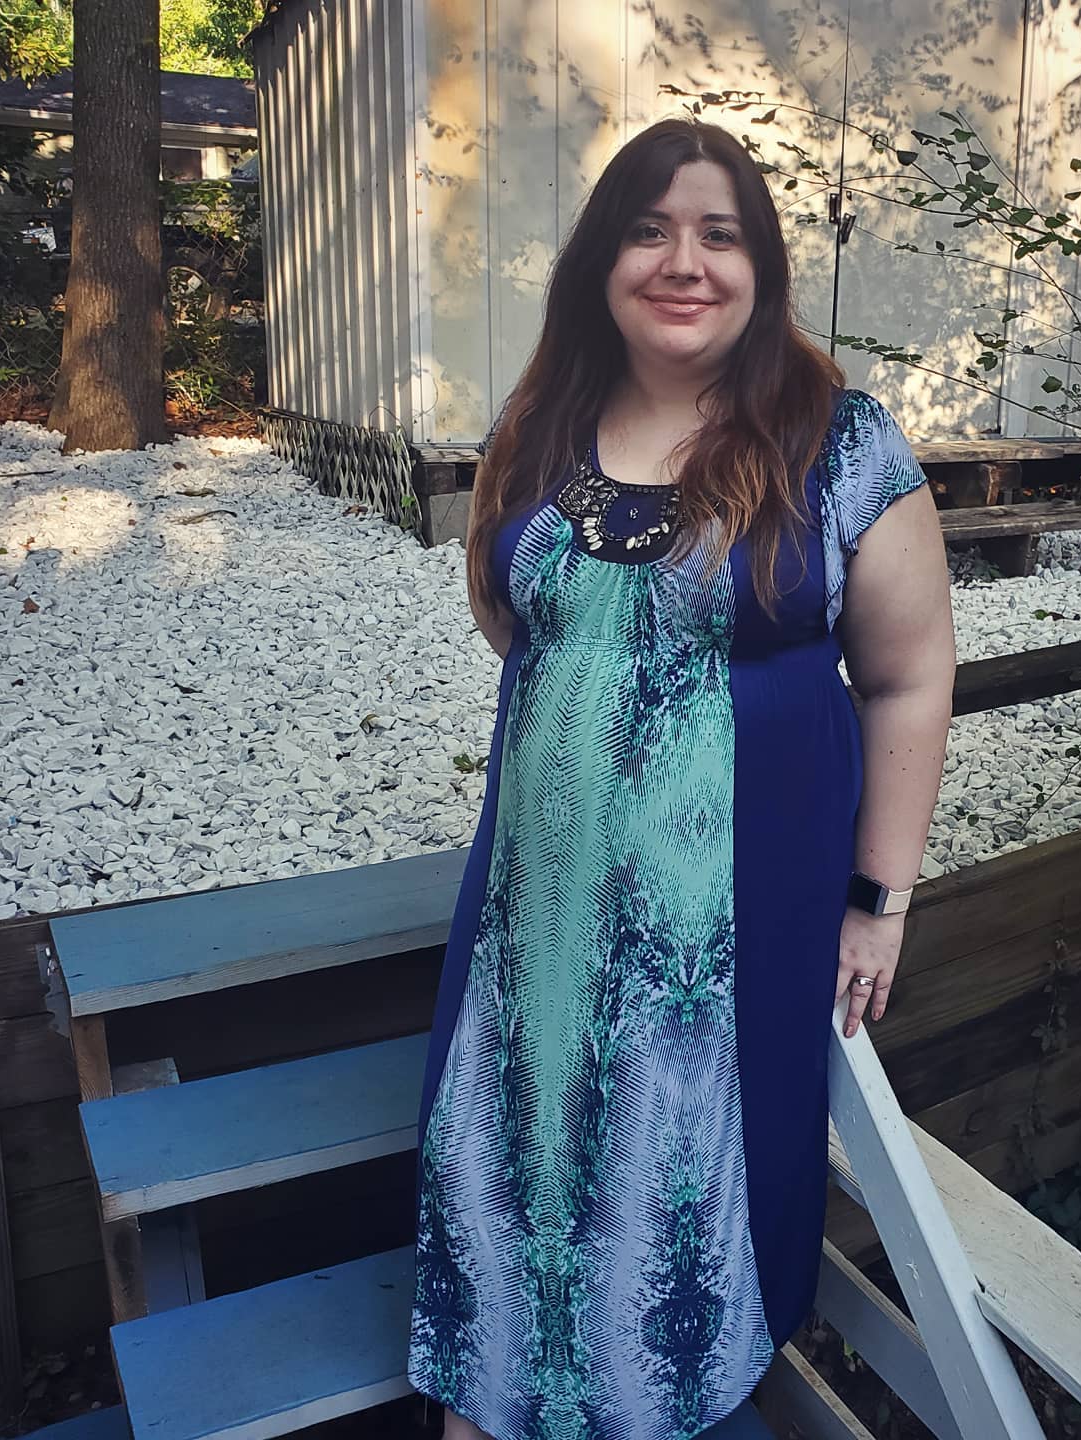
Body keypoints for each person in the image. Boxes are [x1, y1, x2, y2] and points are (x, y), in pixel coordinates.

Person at [407, 117, 956, 1440]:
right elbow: (519, 625)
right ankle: (493, 1399)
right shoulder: (543, 426)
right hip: (535, 922)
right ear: (604, 259)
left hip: (731, 929)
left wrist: (878, 897)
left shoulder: (841, 442)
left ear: (760, 264)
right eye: (649, 229)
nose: (683, 261)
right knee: (513, 1164)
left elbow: (911, 673)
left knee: (683, 1193)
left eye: (718, 233)